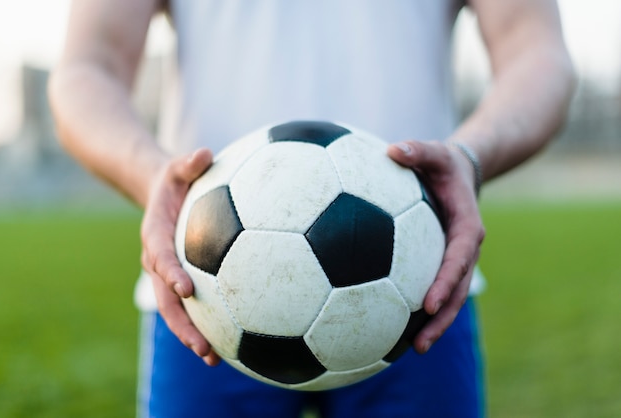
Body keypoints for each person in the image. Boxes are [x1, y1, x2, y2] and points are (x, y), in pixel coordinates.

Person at [48, 0, 575, 417]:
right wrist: (150, 173)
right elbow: (87, 67)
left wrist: (469, 156)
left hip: (417, 294)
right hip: (205, 294)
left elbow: (536, 52)